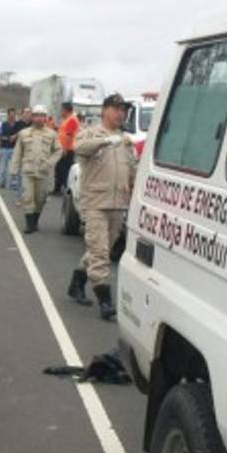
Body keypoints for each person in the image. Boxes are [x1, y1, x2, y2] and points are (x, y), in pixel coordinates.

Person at [68, 93, 138, 321]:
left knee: (101, 249)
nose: (121, 113)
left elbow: (132, 170)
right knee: (99, 253)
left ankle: (76, 283)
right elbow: (79, 147)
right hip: (96, 204)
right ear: (104, 110)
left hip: (118, 204)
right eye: (116, 108)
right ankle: (105, 301)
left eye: (123, 109)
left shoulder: (126, 140)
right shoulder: (91, 133)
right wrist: (106, 141)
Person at [9, 105, 63, 234]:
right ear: (32, 117)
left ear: (45, 118)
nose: (39, 118)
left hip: (44, 172)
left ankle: (35, 221)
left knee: (40, 199)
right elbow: (17, 152)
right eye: (36, 115)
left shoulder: (52, 134)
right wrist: (13, 170)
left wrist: (50, 163)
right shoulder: (24, 133)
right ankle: (29, 225)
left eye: (42, 116)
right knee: (27, 197)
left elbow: (59, 150)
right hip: (28, 170)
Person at [54, 102, 81, 194]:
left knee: (64, 170)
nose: (61, 112)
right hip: (64, 148)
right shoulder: (68, 119)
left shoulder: (72, 120)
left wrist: (65, 148)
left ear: (66, 110)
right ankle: (58, 188)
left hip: (67, 149)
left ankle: (67, 188)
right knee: (59, 168)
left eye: (62, 110)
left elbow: (69, 135)